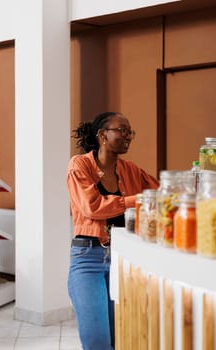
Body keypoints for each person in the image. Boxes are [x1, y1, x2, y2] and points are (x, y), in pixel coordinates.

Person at [66, 111, 159, 350]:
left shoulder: (130, 169)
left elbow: (161, 191)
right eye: (122, 130)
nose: (128, 136)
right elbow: (92, 207)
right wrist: (135, 200)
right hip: (88, 259)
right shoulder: (80, 165)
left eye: (130, 132)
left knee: (122, 338)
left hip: (123, 257)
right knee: (97, 341)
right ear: (102, 135)